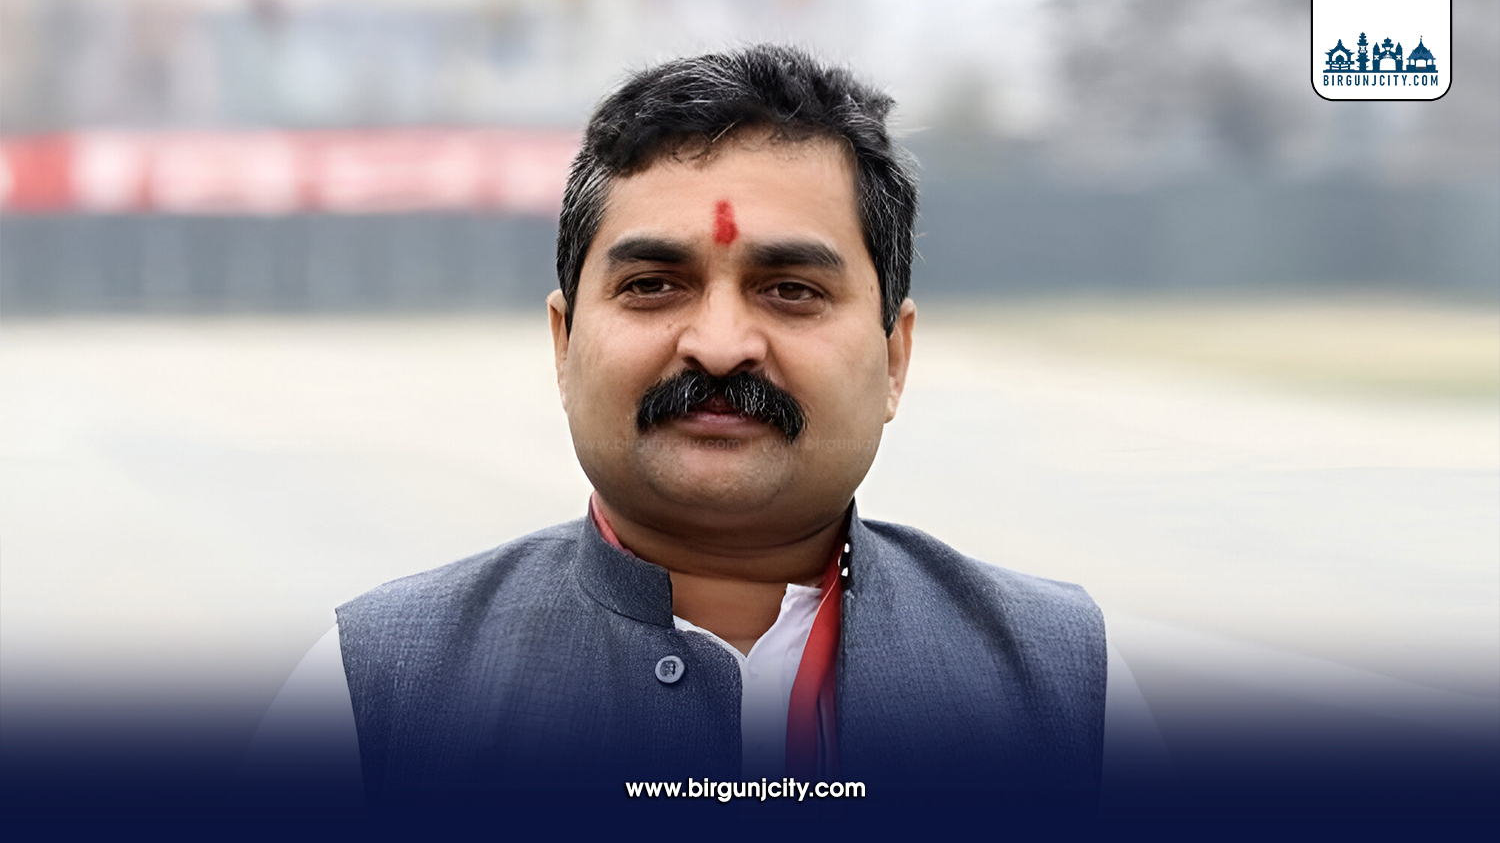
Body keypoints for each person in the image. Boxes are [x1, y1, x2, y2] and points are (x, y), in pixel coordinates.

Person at [247, 43, 1166, 807]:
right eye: (654, 286)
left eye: (791, 290)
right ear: (564, 346)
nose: (721, 346)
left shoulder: (1068, 695)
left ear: (895, 358)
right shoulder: (377, 699)